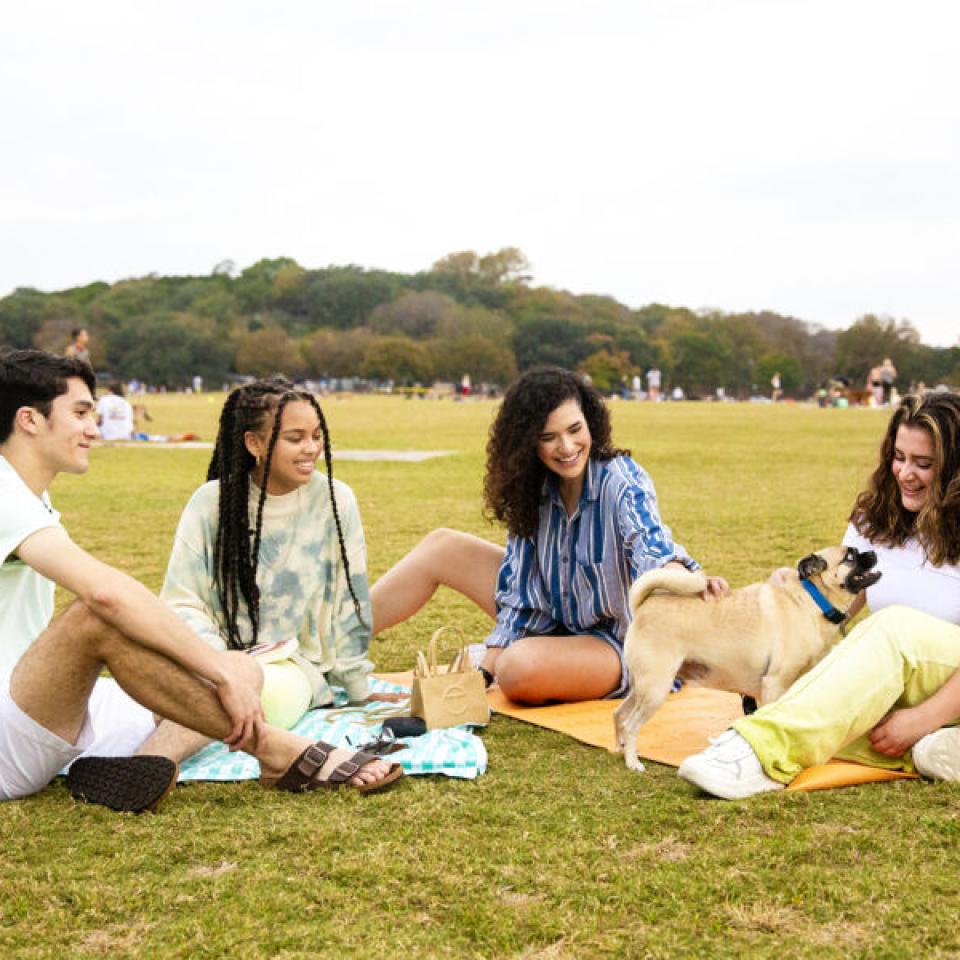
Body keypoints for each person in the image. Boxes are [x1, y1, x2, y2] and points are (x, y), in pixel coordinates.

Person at [0, 350, 401, 812]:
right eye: (81, 413)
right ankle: (277, 750)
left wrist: (226, 669)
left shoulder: (31, 493)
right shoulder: (7, 496)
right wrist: (216, 669)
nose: (96, 427)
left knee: (245, 669)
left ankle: (148, 760)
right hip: (8, 736)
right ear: (29, 420)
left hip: (25, 700)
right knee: (95, 617)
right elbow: (106, 594)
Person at [372, 367, 727, 705]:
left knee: (517, 670)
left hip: (621, 642)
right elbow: (519, 593)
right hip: (552, 619)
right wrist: (486, 667)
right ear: (529, 443)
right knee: (442, 546)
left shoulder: (620, 480)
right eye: (548, 437)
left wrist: (686, 579)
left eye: (575, 429)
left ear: (591, 422)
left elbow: (651, 545)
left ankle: (539, 660)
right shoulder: (533, 489)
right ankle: (335, 643)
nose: (567, 446)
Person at [678, 391, 960, 798]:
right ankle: (932, 748)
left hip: (946, 674)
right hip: (904, 681)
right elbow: (836, 613)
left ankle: (761, 750)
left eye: (924, 464)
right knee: (797, 672)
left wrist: (922, 717)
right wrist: (791, 597)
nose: (905, 473)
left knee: (892, 628)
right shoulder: (876, 518)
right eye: (898, 457)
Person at [133, 378, 404, 766]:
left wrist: (359, 687)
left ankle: (147, 763)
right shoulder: (211, 502)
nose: (311, 448)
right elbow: (181, 603)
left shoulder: (335, 500)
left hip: (292, 670)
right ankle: (154, 756)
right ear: (254, 444)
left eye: (316, 435)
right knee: (185, 684)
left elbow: (350, 602)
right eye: (295, 438)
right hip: (211, 661)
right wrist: (219, 666)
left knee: (231, 694)